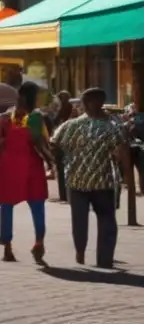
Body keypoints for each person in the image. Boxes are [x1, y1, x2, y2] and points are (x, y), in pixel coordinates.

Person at [51, 87, 132, 268]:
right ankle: (104, 260)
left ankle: (80, 252)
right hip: (104, 183)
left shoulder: (71, 125)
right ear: (102, 103)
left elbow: (54, 144)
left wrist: (63, 162)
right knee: (107, 221)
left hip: (76, 181)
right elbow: (124, 155)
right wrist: (129, 181)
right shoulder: (113, 127)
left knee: (79, 220)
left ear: (84, 104)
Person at [0, 81, 50, 264]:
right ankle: (38, 242)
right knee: (38, 205)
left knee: (6, 206)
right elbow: (40, 142)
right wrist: (51, 161)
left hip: (8, 167)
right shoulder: (35, 117)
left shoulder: (4, 118)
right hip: (32, 167)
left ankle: (7, 247)